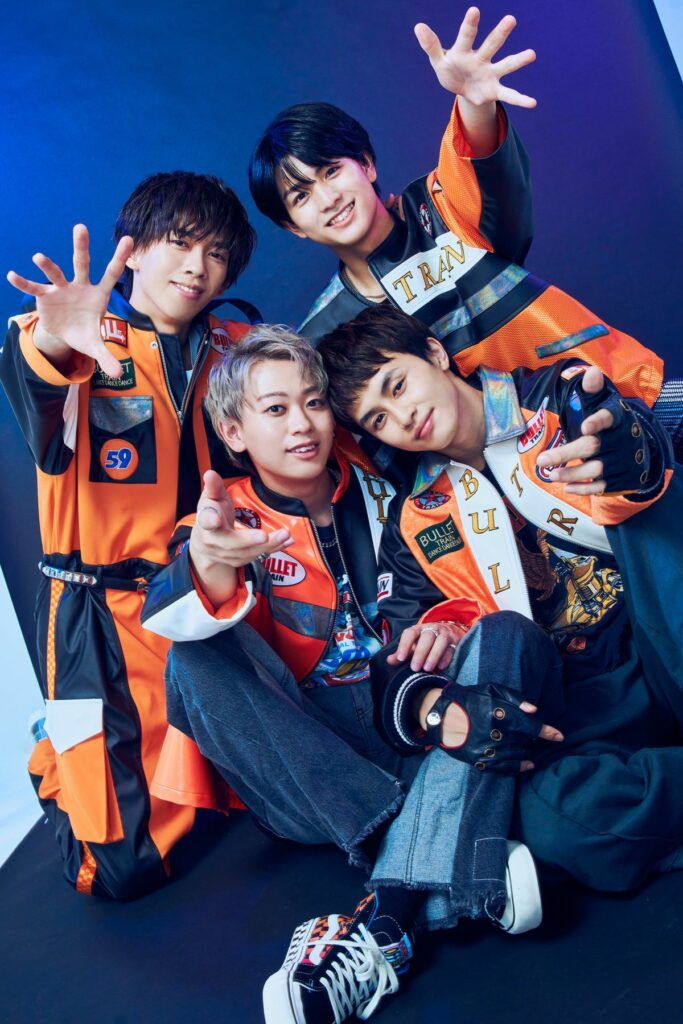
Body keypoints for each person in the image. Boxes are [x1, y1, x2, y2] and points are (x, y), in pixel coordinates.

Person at [141, 325, 565, 1023]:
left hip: (420, 724)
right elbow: (167, 610)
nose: (302, 424)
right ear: (234, 432)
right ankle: (435, 861)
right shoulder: (220, 519)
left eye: (313, 402)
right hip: (312, 769)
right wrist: (211, 562)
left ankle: (394, 907)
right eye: (275, 409)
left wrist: (447, 624)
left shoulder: (386, 478)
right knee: (193, 655)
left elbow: (451, 578)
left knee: (509, 636)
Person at [317, 302, 683, 894]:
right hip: (585, 694)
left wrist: (629, 454)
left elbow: (625, 432)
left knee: (656, 505)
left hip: (660, 621)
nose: (403, 417)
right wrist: (433, 700)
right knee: (555, 820)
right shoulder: (414, 520)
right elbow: (394, 666)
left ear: (435, 353)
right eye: (378, 419)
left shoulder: (554, 395)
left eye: (398, 385)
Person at [248, 7, 682, 469]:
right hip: (519, 487)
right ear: (293, 226)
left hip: (621, 396)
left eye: (332, 171)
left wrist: (475, 102)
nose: (328, 197)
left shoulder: (440, 208)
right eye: (301, 196)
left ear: (367, 164)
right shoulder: (323, 335)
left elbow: (478, 167)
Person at [0, 171, 257, 899]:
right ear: (134, 250)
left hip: (202, 597)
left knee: (235, 796)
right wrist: (56, 336)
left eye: (216, 253)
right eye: (179, 242)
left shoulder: (234, 346)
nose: (197, 267)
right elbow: (39, 381)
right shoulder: (81, 339)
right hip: (99, 617)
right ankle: (54, 753)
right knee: (119, 868)